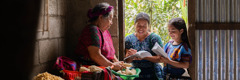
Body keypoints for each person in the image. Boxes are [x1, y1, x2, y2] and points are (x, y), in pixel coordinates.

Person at [75, 2, 123, 70]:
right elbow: (95, 56)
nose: (111, 22)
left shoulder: (105, 32)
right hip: (92, 71)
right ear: (100, 17)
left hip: (107, 68)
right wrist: (113, 66)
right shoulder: (92, 30)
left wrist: (119, 65)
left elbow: (112, 55)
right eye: (110, 19)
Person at [125, 12, 164, 80]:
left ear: (148, 26)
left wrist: (144, 57)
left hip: (153, 74)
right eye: (139, 25)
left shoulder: (154, 38)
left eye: (144, 26)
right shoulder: (129, 39)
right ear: (134, 25)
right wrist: (130, 56)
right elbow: (127, 61)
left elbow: (161, 58)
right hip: (135, 74)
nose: (141, 28)